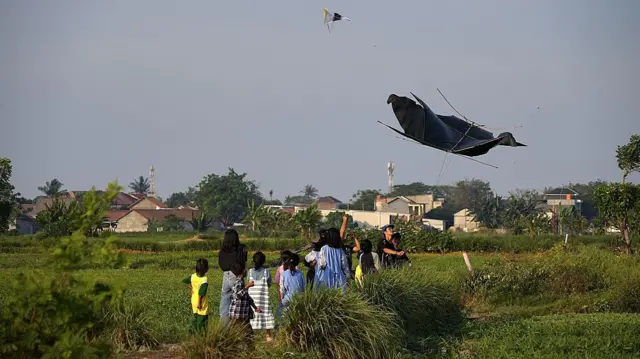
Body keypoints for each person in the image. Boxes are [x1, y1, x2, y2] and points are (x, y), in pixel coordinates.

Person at [218, 229, 248, 325]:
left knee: (225, 303)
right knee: (241, 300)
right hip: (235, 275)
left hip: (225, 275)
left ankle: (223, 330)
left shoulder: (222, 251)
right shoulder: (240, 249)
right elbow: (243, 262)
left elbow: (221, 264)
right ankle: (240, 327)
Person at [247, 252, 275, 342]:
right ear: (263, 261)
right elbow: (269, 284)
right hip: (263, 299)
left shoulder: (250, 272)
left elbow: (248, 282)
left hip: (252, 299)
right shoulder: (267, 272)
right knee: (266, 313)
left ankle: (250, 335)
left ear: (253, 261)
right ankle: (268, 335)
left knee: (251, 315)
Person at [228, 263, 261, 328]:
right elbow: (238, 295)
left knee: (246, 333)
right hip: (237, 314)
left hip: (242, 314)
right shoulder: (238, 282)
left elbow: (247, 297)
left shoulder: (241, 282)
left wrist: (255, 307)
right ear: (242, 271)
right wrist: (247, 286)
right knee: (244, 334)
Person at [182, 258, 210, 333]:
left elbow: (184, 282)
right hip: (201, 302)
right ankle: (201, 335)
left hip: (193, 300)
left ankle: (192, 333)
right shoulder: (204, 280)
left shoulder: (193, 276)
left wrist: (191, 288)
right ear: (206, 269)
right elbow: (201, 294)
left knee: (196, 317)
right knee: (202, 319)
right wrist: (199, 303)